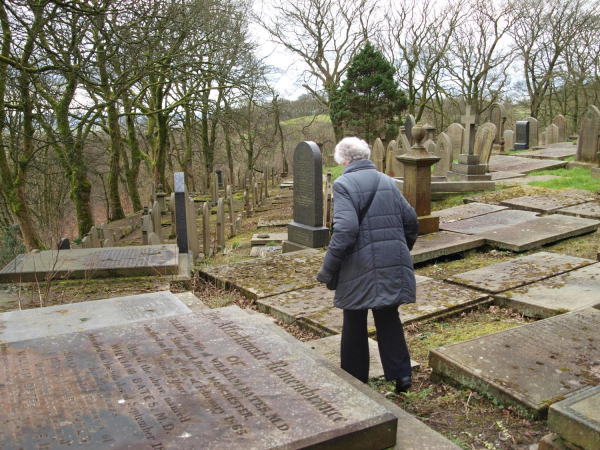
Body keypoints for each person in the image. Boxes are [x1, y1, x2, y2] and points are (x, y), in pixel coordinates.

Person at [316, 136, 418, 394]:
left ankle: (355, 379)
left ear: (345, 160)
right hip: (391, 260)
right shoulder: (387, 181)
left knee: (354, 317)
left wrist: (328, 269)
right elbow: (411, 221)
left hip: (357, 265)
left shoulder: (344, 184)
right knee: (388, 315)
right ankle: (402, 375)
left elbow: (346, 230)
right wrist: (399, 250)